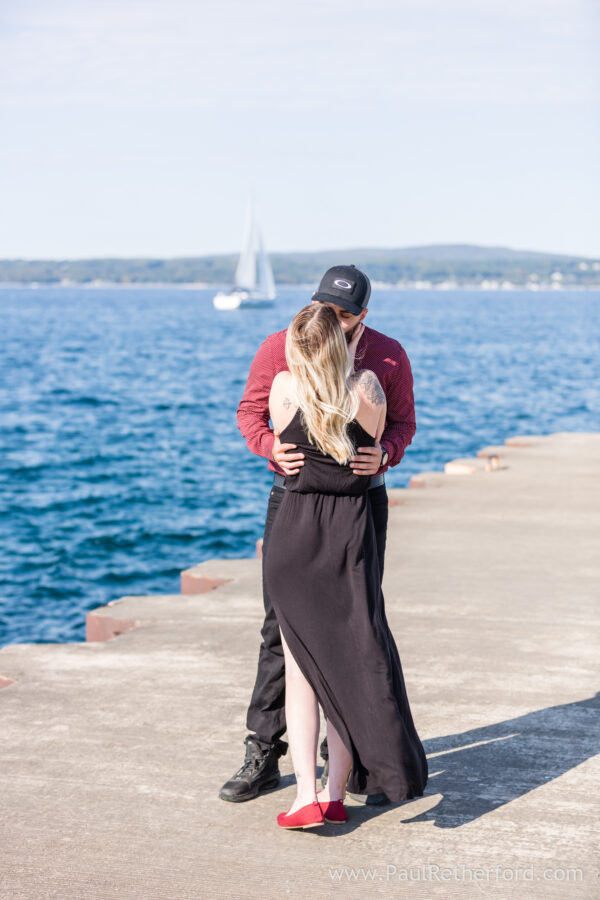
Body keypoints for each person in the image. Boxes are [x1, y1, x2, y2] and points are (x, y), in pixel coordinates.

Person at [219, 264, 418, 804]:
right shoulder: (279, 346)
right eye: (325, 310)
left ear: (363, 317)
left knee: (357, 625)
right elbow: (249, 412)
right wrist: (267, 445)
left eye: (344, 315)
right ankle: (264, 750)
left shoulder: (388, 355)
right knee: (276, 628)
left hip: (361, 503)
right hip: (294, 499)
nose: (332, 322)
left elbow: (403, 423)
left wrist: (389, 452)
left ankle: (351, 756)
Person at [263, 302, 427, 828]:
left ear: (296, 346)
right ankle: (335, 794)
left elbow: (270, 428)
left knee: (302, 674)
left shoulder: (285, 388)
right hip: (350, 535)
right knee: (345, 665)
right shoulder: (370, 389)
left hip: (293, 539)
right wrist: (380, 454)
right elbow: (382, 441)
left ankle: (303, 796)